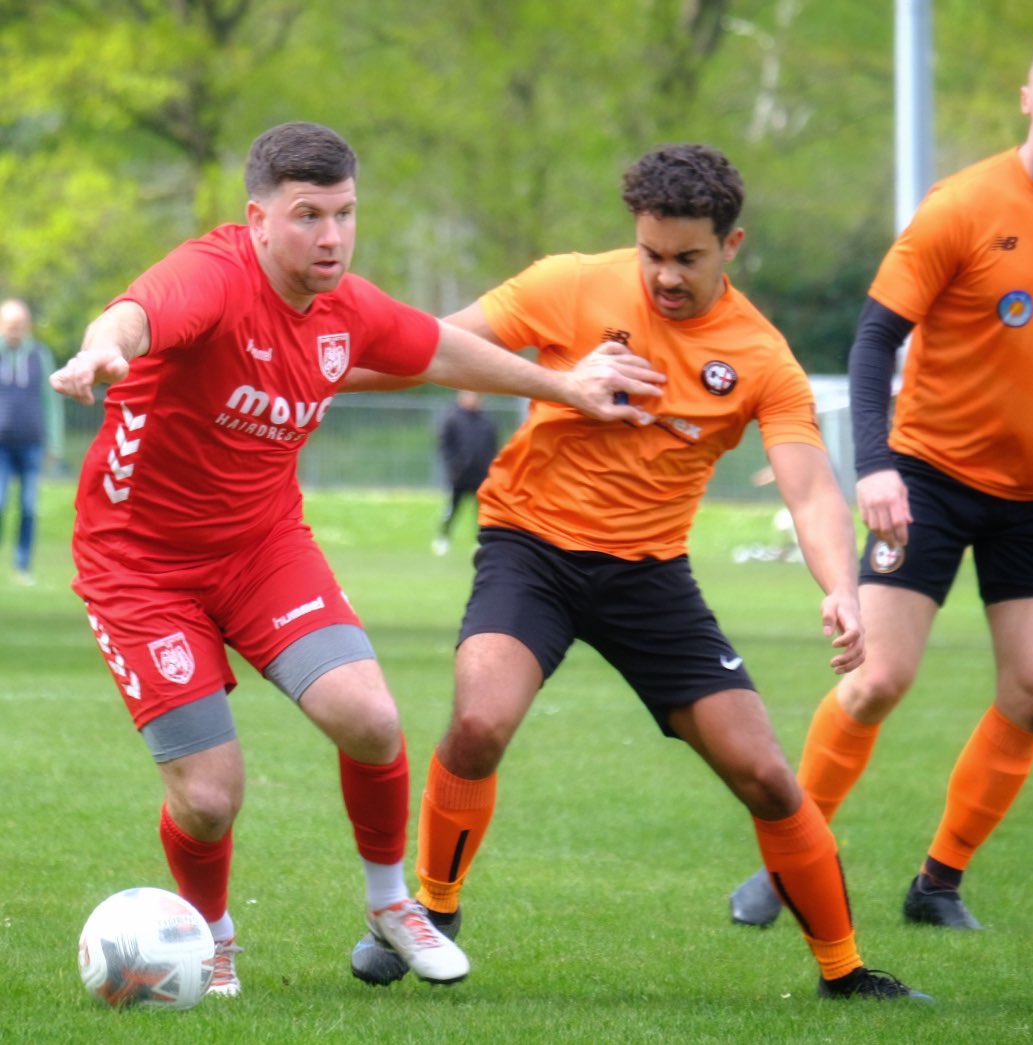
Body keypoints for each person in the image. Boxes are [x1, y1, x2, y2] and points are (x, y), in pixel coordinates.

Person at [49, 121, 664, 998]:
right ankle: (212, 936)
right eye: (308, 216)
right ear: (259, 217)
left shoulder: (347, 308)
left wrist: (564, 385)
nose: (331, 236)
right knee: (210, 795)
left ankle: (390, 904)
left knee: (371, 718)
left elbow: (438, 347)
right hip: (140, 568)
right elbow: (140, 311)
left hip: (262, 548)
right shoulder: (212, 277)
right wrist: (108, 344)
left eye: (344, 214)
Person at [346, 144, 931, 1001]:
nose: (662, 275)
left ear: (732, 245)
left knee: (766, 774)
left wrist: (840, 587)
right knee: (479, 720)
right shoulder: (572, 282)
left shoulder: (762, 357)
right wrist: (308, 376)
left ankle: (845, 972)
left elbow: (808, 488)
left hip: (650, 577)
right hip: (530, 549)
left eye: (686, 258)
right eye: (650, 253)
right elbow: (429, 348)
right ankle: (432, 907)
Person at [729, 27, 1033, 932]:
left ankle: (938, 883)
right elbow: (875, 339)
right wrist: (876, 467)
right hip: (928, 477)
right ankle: (789, 859)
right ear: (1027, 100)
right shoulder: (962, 204)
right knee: (878, 678)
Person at [0, 298, 63, 585]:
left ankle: (22, 566)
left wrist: (55, 444)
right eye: (9, 325)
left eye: (19, 325)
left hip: (32, 443)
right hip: (1, 444)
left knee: (28, 506)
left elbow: (51, 402)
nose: (15, 330)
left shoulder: (40, 355)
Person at [432, 390, 498, 555]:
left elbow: (493, 446)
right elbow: (444, 445)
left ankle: (479, 542)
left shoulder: (486, 421)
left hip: (481, 475)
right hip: (459, 476)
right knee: (453, 508)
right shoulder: (453, 418)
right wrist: (454, 465)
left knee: (482, 512)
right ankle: (443, 537)